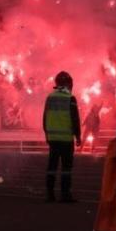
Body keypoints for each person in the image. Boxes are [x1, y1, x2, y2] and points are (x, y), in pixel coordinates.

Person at [43, 71, 81, 203]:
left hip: (53, 140)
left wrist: (47, 135)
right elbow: (75, 119)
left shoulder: (50, 97)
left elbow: (45, 118)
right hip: (66, 140)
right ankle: (65, 194)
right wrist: (78, 136)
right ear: (68, 83)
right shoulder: (70, 98)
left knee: (52, 167)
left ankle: (50, 194)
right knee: (66, 168)